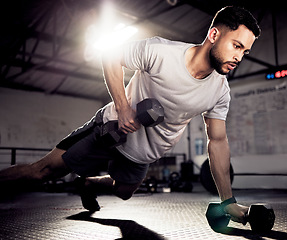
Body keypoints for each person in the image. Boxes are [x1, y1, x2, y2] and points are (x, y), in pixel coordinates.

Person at [0, 6, 260, 224]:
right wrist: (123, 107)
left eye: (245, 52)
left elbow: (217, 142)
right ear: (214, 34)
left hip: (141, 155)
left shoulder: (219, 91)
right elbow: (111, 56)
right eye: (236, 46)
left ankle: (89, 184)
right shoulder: (161, 52)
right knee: (42, 172)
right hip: (110, 130)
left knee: (124, 192)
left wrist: (228, 201)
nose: (239, 57)